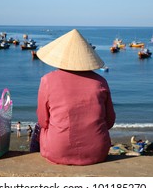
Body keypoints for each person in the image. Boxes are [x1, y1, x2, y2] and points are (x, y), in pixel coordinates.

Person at [36, 29, 116, 165]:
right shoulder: (101, 82)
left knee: (39, 129)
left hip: (58, 151)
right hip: (98, 152)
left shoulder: (47, 80)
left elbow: (44, 121)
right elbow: (109, 121)